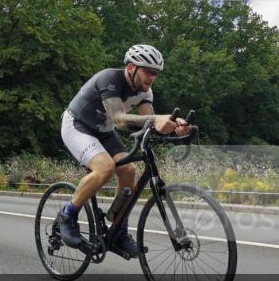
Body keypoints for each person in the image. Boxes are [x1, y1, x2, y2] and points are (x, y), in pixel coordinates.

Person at [58, 44, 189, 257]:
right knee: (105, 167)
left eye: (155, 74)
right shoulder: (109, 79)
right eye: (148, 72)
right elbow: (119, 119)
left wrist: (175, 128)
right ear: (130, 68)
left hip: (104, 131)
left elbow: (149, 124)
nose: (152, 78)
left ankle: (118, 229)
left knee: (129, 171)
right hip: (77, 125)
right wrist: (157, 119)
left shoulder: (145, 92)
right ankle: (68, 214)